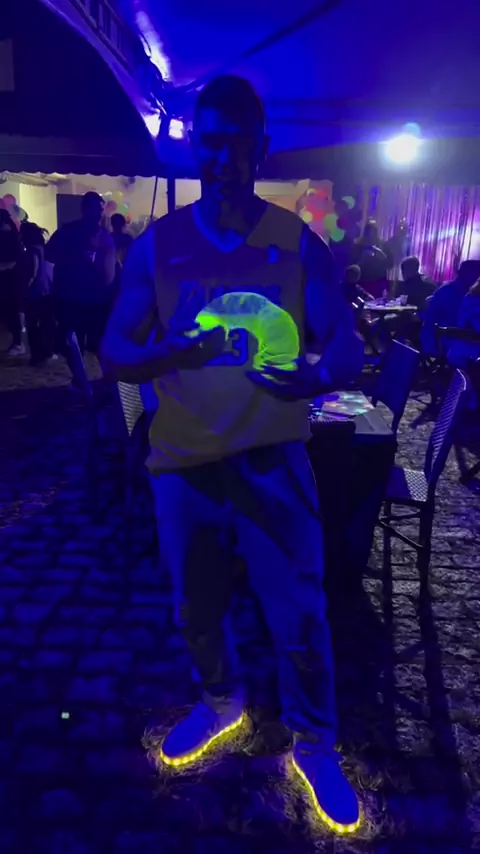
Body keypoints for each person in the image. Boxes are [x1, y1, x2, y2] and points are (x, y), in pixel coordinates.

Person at [101, 75, 363, 833]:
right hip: (184, 464)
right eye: (209, 142)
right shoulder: (159, 245)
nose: (221, 157)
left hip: (274, 460)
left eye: (236, 143)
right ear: (196, 148)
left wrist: (319, 374)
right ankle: (221, 701)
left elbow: (345, 342)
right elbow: (115, 349)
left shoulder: (296, 242)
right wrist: (167, 353)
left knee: (301, 614)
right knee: (197, 606)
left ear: (260, 148)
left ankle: (315, 744)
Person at [46, 192, 116, 361]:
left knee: (91, 344)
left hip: (90, 298)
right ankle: (82, 375)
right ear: (85, 209)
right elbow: (49, 255)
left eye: (101, 210)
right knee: (75, 342)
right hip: (75, 297)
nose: (100, 214)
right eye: (97, 209)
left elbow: (110, 268)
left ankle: (91, 375)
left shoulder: (102, 235)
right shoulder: (69, 232)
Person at [421, 259, 480, 355]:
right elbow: (429, 322)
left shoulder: (473, 295)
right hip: (449, 343)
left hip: (468, 343)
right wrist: (430, 350)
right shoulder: (445, 292)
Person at [19, 222, 55, 365]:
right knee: (47, 323)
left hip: (34, 292)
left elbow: (32, 274)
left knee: (33, 325)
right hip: (49, 291)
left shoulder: (30, 252)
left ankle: (37, 356)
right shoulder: (46, 249)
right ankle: (48, 351)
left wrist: (24, 290)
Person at [0, 209, 25, 356]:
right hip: (9, 278)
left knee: (11, 311)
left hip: (10, 279)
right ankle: (16, 342)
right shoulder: (12, 236)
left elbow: (15, 260)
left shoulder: (10, 237)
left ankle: (17, 343)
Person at [350, 220, 390, 299]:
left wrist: (382, 257)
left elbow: (390, 264)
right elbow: (351, 267)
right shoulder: (358, 246)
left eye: (373, 233)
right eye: (369, 233)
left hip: (378, 283)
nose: (371, 237)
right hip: (362, 283)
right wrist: (362, 259)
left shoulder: (383, 245)